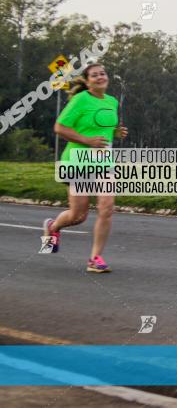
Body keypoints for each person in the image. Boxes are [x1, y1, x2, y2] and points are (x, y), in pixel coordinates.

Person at [41, 63, 127, 273]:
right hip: (77, 161)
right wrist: (87, 141)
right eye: (94, 75)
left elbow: (102, 127)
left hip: (103, 163)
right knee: (78, 216)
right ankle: (52, 227)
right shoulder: (80, 100)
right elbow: (59, 127)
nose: (100, 77)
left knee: (107, 207)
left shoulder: (112, 101)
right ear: (88, 82)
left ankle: (95, 258)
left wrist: (115, 133)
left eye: (103, 73)